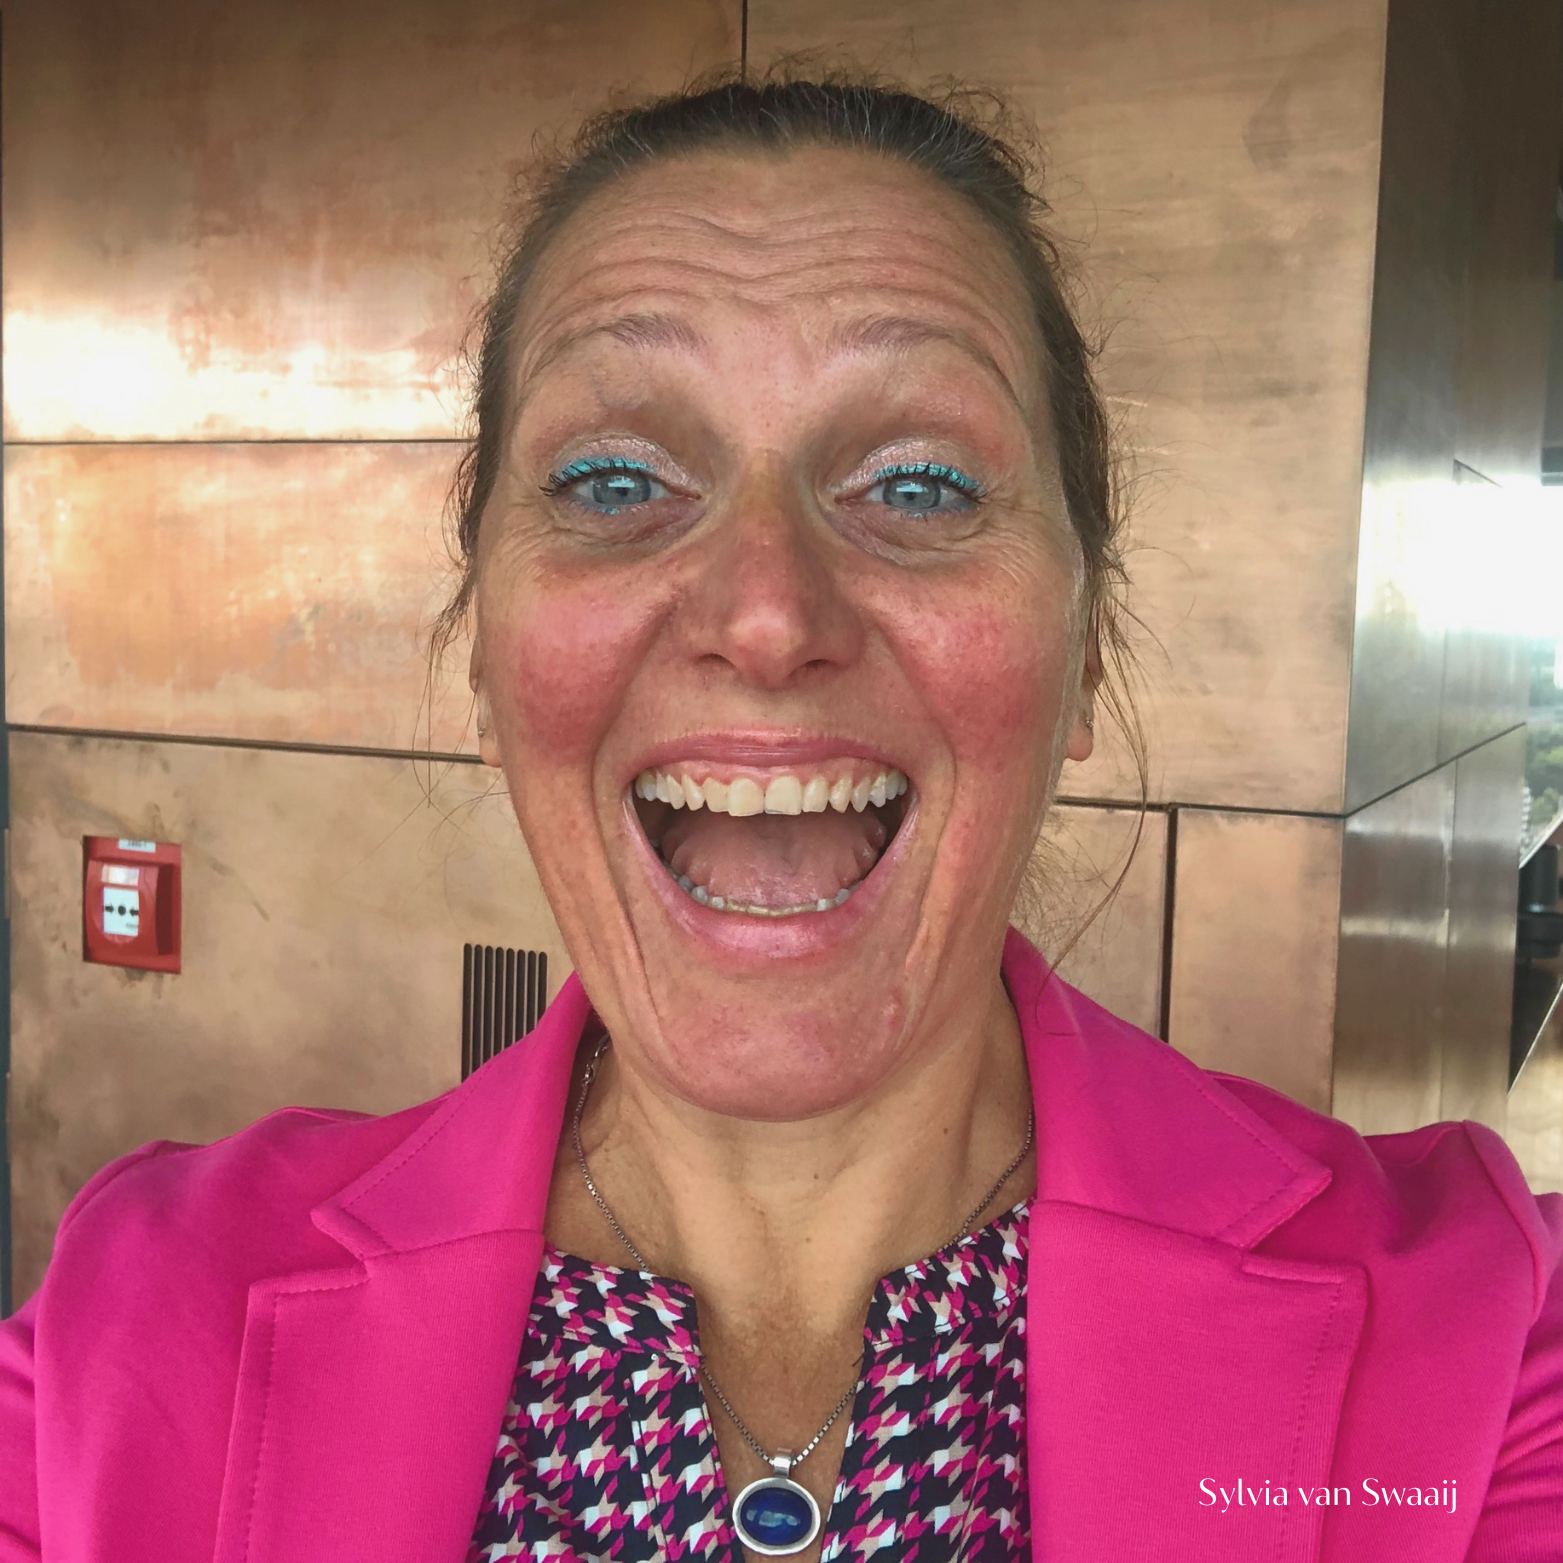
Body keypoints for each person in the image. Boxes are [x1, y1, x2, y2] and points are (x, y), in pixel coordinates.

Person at [1, 71, 1560, 1563]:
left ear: (1084, 652)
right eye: (614, 482)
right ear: (484, 652)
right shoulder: (130, 1326)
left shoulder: (1480, 1355)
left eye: (919, 485)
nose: (762, 613)